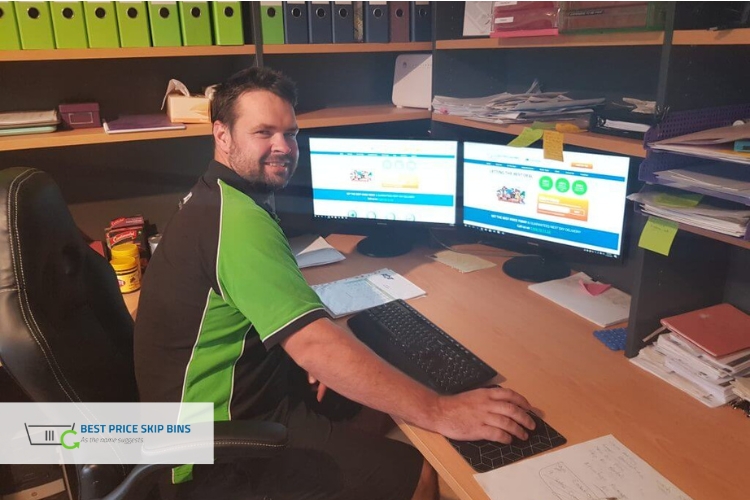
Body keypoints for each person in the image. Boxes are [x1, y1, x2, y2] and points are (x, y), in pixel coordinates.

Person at [133, 66, 536, 500]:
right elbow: (315, 344)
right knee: (418, 468)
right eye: (264, 132)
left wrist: (311, 357)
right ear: (222, 135)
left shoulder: (217, 196)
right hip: (216, 451)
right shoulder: (236, 222)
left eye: (291, 134)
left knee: (368, 402)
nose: (283, 148)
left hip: (233, 405)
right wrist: (440, 410)